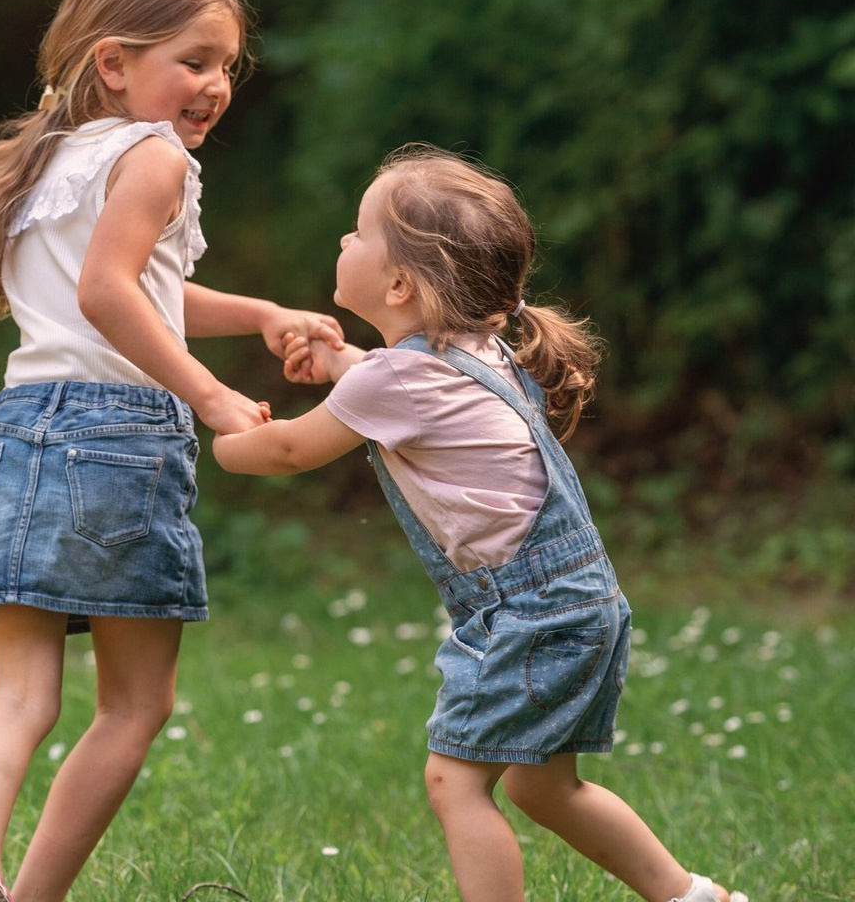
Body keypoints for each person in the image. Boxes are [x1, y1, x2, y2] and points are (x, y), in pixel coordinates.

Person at [0, 0, 341, 902]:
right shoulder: (155, 157)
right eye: (194, 62)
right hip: (121, 438)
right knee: (134, 704)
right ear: (113, 64)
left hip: (22, 428)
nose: (215, 84)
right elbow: (109, 297)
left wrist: (257, 315)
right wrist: (209, 394)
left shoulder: (49, 158)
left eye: (227, 67)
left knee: (20, 696)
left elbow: (144, 289)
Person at [213, 144, 749, 902]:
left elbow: (294, 448)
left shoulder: (403, 376)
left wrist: (222, 430)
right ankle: (695, 897)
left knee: (454, 780)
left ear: (399, 282)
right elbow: (390, 385)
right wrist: (339, 363)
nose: (343, 242)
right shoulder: (471, 353)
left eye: (357, 233)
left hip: (533, 613)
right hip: (578, 602)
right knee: (541, 787)